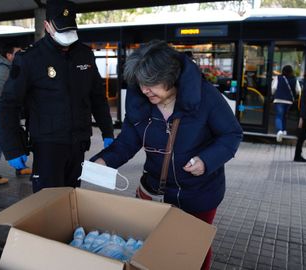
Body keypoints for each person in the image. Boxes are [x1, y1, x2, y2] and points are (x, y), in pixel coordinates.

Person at [91, 40, 243, 270]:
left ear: (171, 77)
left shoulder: (205, 97)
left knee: (194, 248)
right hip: (153, 192)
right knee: (155, 246)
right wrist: (103, 161)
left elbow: (231, 134)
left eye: (151, 83)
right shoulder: (140, 103)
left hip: (198, 193)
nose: (144, 90)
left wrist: (206, 160)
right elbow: (127, 142)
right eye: (141, 83)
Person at [0, 0, 114, 193]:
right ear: (47, 26)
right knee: (48, 201)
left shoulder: (84, 55)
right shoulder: (29, 59)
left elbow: (97, 97)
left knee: (72, 195)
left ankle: (71, 225)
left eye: (70, 29)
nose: (67, 36)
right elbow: (8, 104)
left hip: (79, 142)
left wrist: (108, 132)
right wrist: (12, 147)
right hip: (47, 145)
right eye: (61, 30)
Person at [0, 43, 33, 185]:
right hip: (2, 112)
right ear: (9, 55)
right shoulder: (2, 69)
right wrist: (7, 110)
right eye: (17, 53)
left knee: (17, 137)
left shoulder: (13, 68)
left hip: (11, 112)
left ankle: (20, 168)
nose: (20, 55)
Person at [272, 65, 301, 142]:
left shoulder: (278, 78)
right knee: (284, 116)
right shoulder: (295, 79)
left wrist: (274, 94)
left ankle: (279, 131)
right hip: (289, 101)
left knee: (279, 116)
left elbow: (273, 88)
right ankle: (284, 130)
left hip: (278, 99)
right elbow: (298, 91)